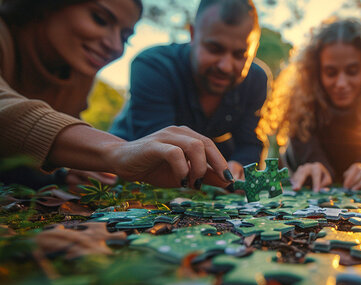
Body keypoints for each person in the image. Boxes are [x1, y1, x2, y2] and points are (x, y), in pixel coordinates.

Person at [0, 0, 234, 190]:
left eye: (125, 35)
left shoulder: (76, 69)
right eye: (100, 19)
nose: (114, 45)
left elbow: (23, 159)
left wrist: (67, 172)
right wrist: (117, 151)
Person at [109, 0, 267, 181]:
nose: (225, 66)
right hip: (121, 165)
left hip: (205, 179)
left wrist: (238, 166)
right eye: (214, 49)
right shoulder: (153, 66)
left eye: (240, 55)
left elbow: (250, 144)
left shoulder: (256, 80)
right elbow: (158, 151)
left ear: (254, 49)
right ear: (193, 34)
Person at [261, 18, 361, 191]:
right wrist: (314, 166)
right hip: (311, 196)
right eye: (331, 72)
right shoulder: (300, 103)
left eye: (352, 71)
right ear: (316, 72)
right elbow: (303, 148)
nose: (341, 83)